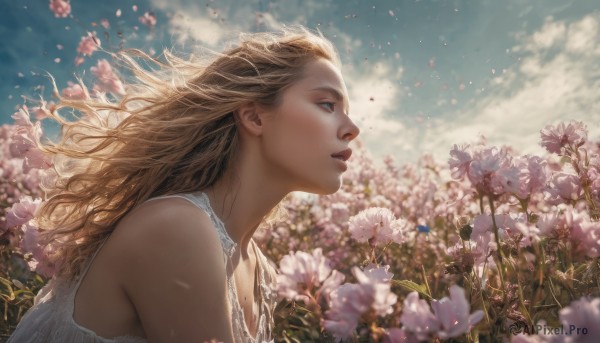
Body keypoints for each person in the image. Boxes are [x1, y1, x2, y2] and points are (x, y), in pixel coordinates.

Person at [8, 25, 360, 343]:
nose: (352, 128)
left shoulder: (259, 268)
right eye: (327, 104)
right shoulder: (176, 227)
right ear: (254, 116)